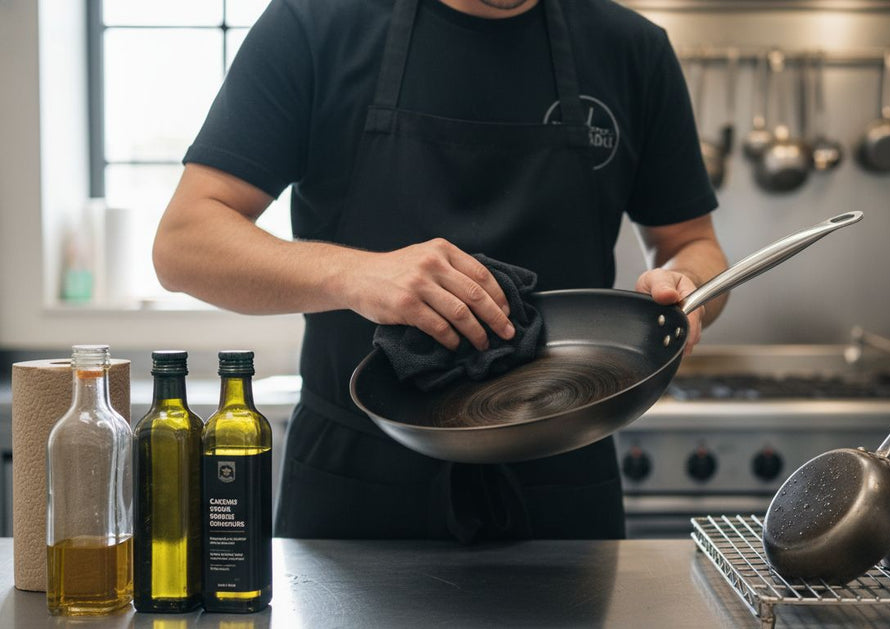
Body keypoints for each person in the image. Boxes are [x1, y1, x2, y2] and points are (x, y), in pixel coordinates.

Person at [153, 0, 729, 541]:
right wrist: (354, 274)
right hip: (355, 484)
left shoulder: (631, 48)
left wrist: (689, 288)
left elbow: (691, 243)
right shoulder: (314, 23)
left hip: (564, 472)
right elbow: (184, 243)